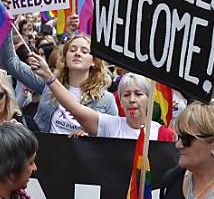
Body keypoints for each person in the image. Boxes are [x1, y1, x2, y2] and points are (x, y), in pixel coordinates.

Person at [28, 57, 173, 142]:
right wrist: (48, 76)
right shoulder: (110, 125)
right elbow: (74, 107)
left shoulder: (165, 135)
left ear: (149, 99)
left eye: (139, 94)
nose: (132, 100)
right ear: (120, 101)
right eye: (126, 95)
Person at [0, 33, 116, 134]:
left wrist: (89, 137)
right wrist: (6, 22)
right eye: (72, 50)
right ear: (65, 58)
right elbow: (11, 63)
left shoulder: (106, 100)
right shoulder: (49, 84)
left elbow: (113, 138)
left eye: (84, 51)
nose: (77, 54)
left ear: (94, 62)